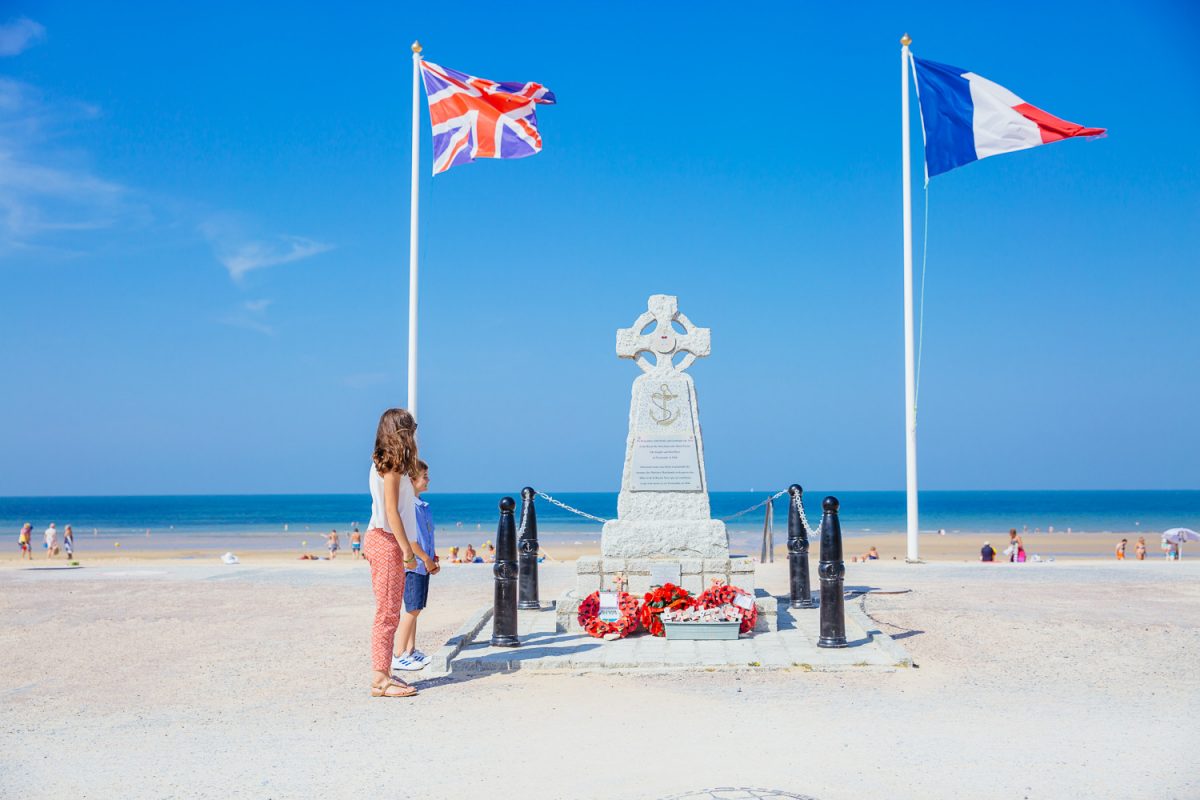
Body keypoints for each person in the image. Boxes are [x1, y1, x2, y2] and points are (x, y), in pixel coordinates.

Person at [364, 408, 432, 699]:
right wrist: (407, 551)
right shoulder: (390, 466)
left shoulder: (390, 463)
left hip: (385, 539)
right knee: (388, 613)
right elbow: (391, 511)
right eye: (411, 429)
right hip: (387, 540)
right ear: (402, 431)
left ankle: (385, 674)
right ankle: (380, 679)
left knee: (390, 610)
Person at [393, 460, 440, 672]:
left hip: (424, 564)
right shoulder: (409, 507)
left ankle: (411, 651)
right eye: (424, 477)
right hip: (414, 566)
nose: (428, 480)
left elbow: (427, 536)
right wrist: (425, 558)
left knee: (417, 608)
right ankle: (398, 654)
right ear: (412, 480)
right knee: (411, 609)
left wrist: (432, 557)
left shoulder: (423, 507)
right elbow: (411, 540)